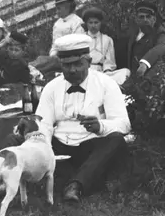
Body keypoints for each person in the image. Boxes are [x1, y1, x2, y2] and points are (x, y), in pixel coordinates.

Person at [35, 33, 131, 204]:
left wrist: (100, 126)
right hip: (59, 146)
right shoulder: (52, 87)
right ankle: (5, 182)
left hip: (90, 145)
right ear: (60, 65)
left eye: (78, 64)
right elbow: (44, 123)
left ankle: (75, 186)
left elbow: (124, 124)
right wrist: (43, 146)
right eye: (67, 66)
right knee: (21, 136)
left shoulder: (106, 84)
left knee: (116, 140)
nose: (73, 70)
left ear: (89, 61)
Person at [113, 0, 165, 86]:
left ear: (154, 19)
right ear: (136, 20)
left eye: (148, 17)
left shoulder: (159, 33)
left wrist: (145, 63)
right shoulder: (133, 34)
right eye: (141, 17)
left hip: (151, 81)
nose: (145, 20)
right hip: (132, 79)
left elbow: (163, 46)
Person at [30, 0, 86, 78]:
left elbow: (77, 44)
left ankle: (28, 69)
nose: (57, 11)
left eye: (59, 9)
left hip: (72, 58)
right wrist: (53, 56)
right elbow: (54, 45)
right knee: (42, 59)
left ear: (67, 7)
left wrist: (60, 56)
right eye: (57, 8)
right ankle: (30, 70)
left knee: (44, 61)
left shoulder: (77, 22)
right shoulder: (57, 24)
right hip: (58, 58)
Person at [81, 7, 117, 73]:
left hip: (101, 71)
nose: (93, 26)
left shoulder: (107, 39)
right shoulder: (81, 38)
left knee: (125, 72)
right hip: (84, 71)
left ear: (101, 23)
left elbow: (109, 61)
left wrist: (107, 71)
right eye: (90, 23)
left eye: (96, 22)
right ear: (86, 24)